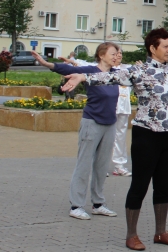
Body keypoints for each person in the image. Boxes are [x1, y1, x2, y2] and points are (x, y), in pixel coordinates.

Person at [60, 28, 168, 250]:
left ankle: (161, 232)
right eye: (166, 46)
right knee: (139, 185)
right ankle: (132, 235)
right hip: (146, 135)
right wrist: (83, 76)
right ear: (153, 48)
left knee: (164, 185)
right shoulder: (139, 71)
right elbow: (110, 76)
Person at [33, 45, 120, 220]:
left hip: (110, 124)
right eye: (113, 54)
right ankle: (76, 205)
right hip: (92, 122)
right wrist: (47, 64)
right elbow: (68, 69)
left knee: (102, 166)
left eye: (118, 54)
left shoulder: (116, 74)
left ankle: (98, 203)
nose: (116, 56)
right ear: (102, 56)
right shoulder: (90, 71)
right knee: (84, 164)